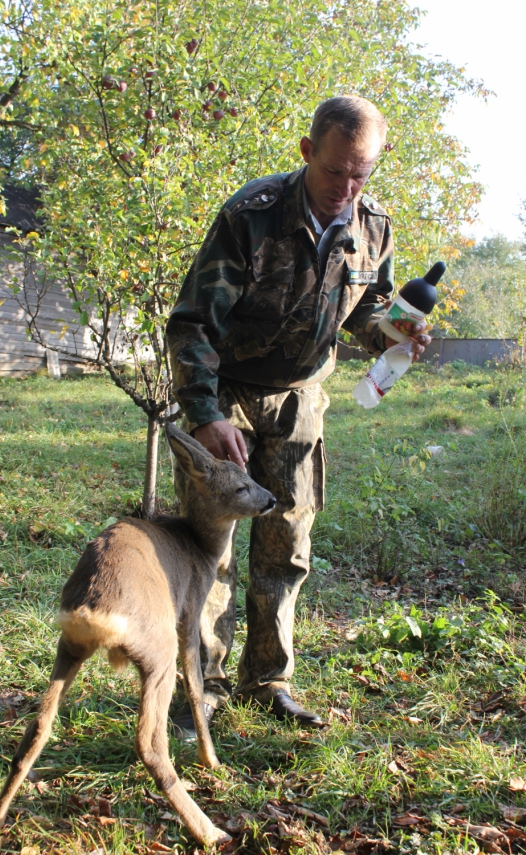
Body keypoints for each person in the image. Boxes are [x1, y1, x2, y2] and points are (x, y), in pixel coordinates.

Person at [166, 96, 431, 738]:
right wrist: (204, 415)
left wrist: (392, 336)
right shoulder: (250, 217)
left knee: (287, 541)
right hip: (227, 390)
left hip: (301, 397)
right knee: (214, 546)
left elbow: (366, 310)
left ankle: (269, 681)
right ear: (308, 152)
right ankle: (201, 687)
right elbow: (193, 323)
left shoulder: (375, 228)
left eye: (361, 174)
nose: (347, 187)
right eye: (337, 170)